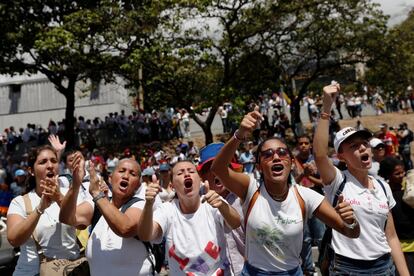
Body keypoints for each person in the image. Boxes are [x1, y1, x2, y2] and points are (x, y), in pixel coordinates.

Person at [211, 107, 360, 275]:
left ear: (290, 162)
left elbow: (351, 232)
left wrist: (351, 220)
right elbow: (218, 168)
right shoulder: (250, 189)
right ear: (259, 166)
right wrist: (240, 134)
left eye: (282, 153)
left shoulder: (306, 197)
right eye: (267, 154)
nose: (276, 157)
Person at [313, 83, 410, 275]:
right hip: (348, 268)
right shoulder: (338, 181)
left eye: (364, 143)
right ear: (341, 156)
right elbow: (320, 154)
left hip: (385, 267)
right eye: (353, 146)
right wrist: (326, 108)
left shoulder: (383, 186)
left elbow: (391, 237)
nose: (363, 148)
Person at [59, 154, 159, 275]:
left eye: (132, 174)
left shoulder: (141, 205)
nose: (126, 176)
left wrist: (97, 193)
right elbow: (67, 218)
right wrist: (75, 185)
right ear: (110, 178)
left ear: (138, 185)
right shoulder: (97, 205)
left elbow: (125, 228)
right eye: (121, 171)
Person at [137, 160, 241, 275]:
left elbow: (236, 223)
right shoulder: (167, 210)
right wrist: (148, 204)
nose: (186, 174)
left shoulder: (213, 201)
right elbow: (145, 235)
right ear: (172, 186)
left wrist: (222, 206)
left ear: (200, 180)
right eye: (180, 173)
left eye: (191, 171)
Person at [7, 145, 83, 276]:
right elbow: (14, 239)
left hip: (70, 270)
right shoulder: (19, 202)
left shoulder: (71, 194)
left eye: (54, 161)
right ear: (31, 170)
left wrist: (59, 198)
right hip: (32, 272)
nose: (50, 166)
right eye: (43, 162)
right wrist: (39, 209)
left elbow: (81, 222)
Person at [198, 143, 245, 275]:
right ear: (202, 175)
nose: (217, 172)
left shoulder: (246, 196)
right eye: (210, 168)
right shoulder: (195, 201)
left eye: (222, 166)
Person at [291, 135, 325, 275]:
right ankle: (308, 269)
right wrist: (303, 174)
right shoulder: (293, 162)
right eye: (301, 143)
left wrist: (308, 176)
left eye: (306, 143)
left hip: (317, 200)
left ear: (310, 145)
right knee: (305, 239)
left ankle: (325, 264)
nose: (303, 145)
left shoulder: (318, 160)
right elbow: (292, 183)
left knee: (321, 236)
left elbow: (323, 182)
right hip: (300, 202)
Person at [378, 157, 414, 275]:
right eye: (397, 173)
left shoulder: (409, 187)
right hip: (400, 247)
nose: (401, 175)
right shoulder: (383, 192)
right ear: (388, 175)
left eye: (403, 172)